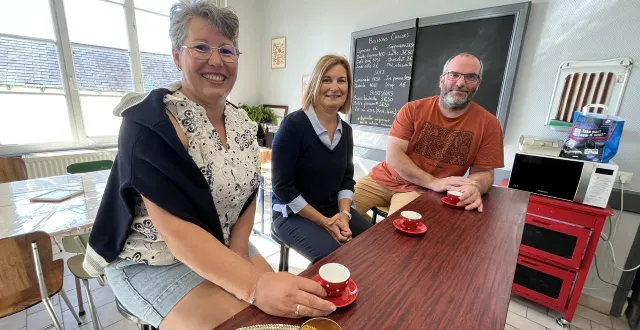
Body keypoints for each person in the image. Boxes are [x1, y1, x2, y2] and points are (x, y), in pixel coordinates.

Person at [82, 1, 335, 329]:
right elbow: (176, 231)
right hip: (154, 261)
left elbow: (248, 192)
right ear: (177, 56)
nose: (216, 59)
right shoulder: (150, 124)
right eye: (201, 46)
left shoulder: (242, 122)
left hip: (222, 242)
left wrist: (240, 256)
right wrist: (253, 286)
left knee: (294, 318)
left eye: (227, 50)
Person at [353, 53, 504, 219]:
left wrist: (475, 186)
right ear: (442, 80)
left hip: (423, 191)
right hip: (383, 178)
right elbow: (394, 155)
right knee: (335, 211)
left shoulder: (489, 124)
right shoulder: (412, 109)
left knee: (400, 236)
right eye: (454, 75)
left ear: (478, 84)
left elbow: (484, 172)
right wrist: (433, 181)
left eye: (470, 77)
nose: (461, 83)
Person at [271, 55, 372, 263]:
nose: (335, 87)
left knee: (373, 243)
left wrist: (344, 214)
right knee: (336, 259)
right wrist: (324, 222)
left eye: (341, 80)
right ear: (316, 84)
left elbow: (346, 179)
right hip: (292, 215)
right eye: (327, 79)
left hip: (333, 211)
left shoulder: (347, 131)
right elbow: (283, 188)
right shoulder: (294, 125)